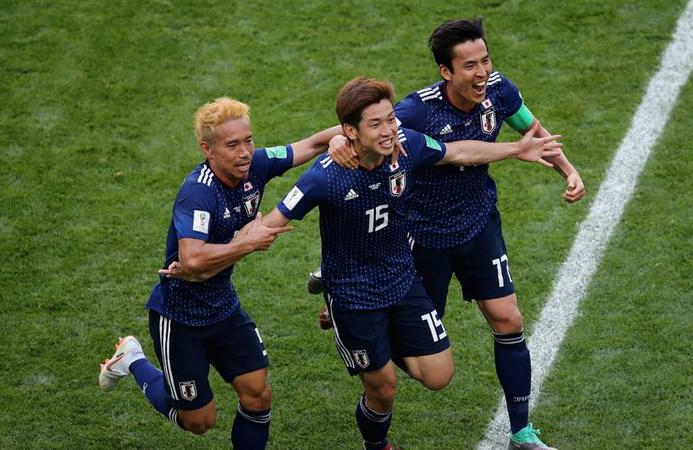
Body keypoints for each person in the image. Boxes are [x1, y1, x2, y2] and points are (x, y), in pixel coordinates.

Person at [319, 18, 585, 450]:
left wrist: (568, 170)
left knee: (508, 319)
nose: (482, 73)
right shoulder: (416, 110)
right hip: (422, 236)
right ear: (447, 72)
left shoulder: (499, 91)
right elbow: (360, 127)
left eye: (486, 60)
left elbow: (533, 132)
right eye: (470, 66)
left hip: (479, 224)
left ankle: (522, 432)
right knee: (424, 353)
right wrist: (336, 143)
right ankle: (349, 308)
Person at [261, 77, 563, 450]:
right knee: (383, 386)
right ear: (350, 131)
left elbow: (458, 153)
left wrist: (515, 149)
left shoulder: (409, 147)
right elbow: (272, 223)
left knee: (439, 375)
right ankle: (377, 445)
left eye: (391, 120)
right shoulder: (326, 176)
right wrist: (216, 254)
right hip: (354, 292)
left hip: (401, 279)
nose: (389, 130)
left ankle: (362, 334)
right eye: (377, 124)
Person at [97, 97, 341, 449]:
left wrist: (348, 136)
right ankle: (133, 358)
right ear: (207, 149)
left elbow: (316, 143)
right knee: (199, 421)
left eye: (248, 140)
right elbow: (192, 260)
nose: (244, 152)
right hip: (179, 316)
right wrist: (246, 242)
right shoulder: (198, 193)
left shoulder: (255, 165)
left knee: (258, 396)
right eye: (232, 145)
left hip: (223, 305)